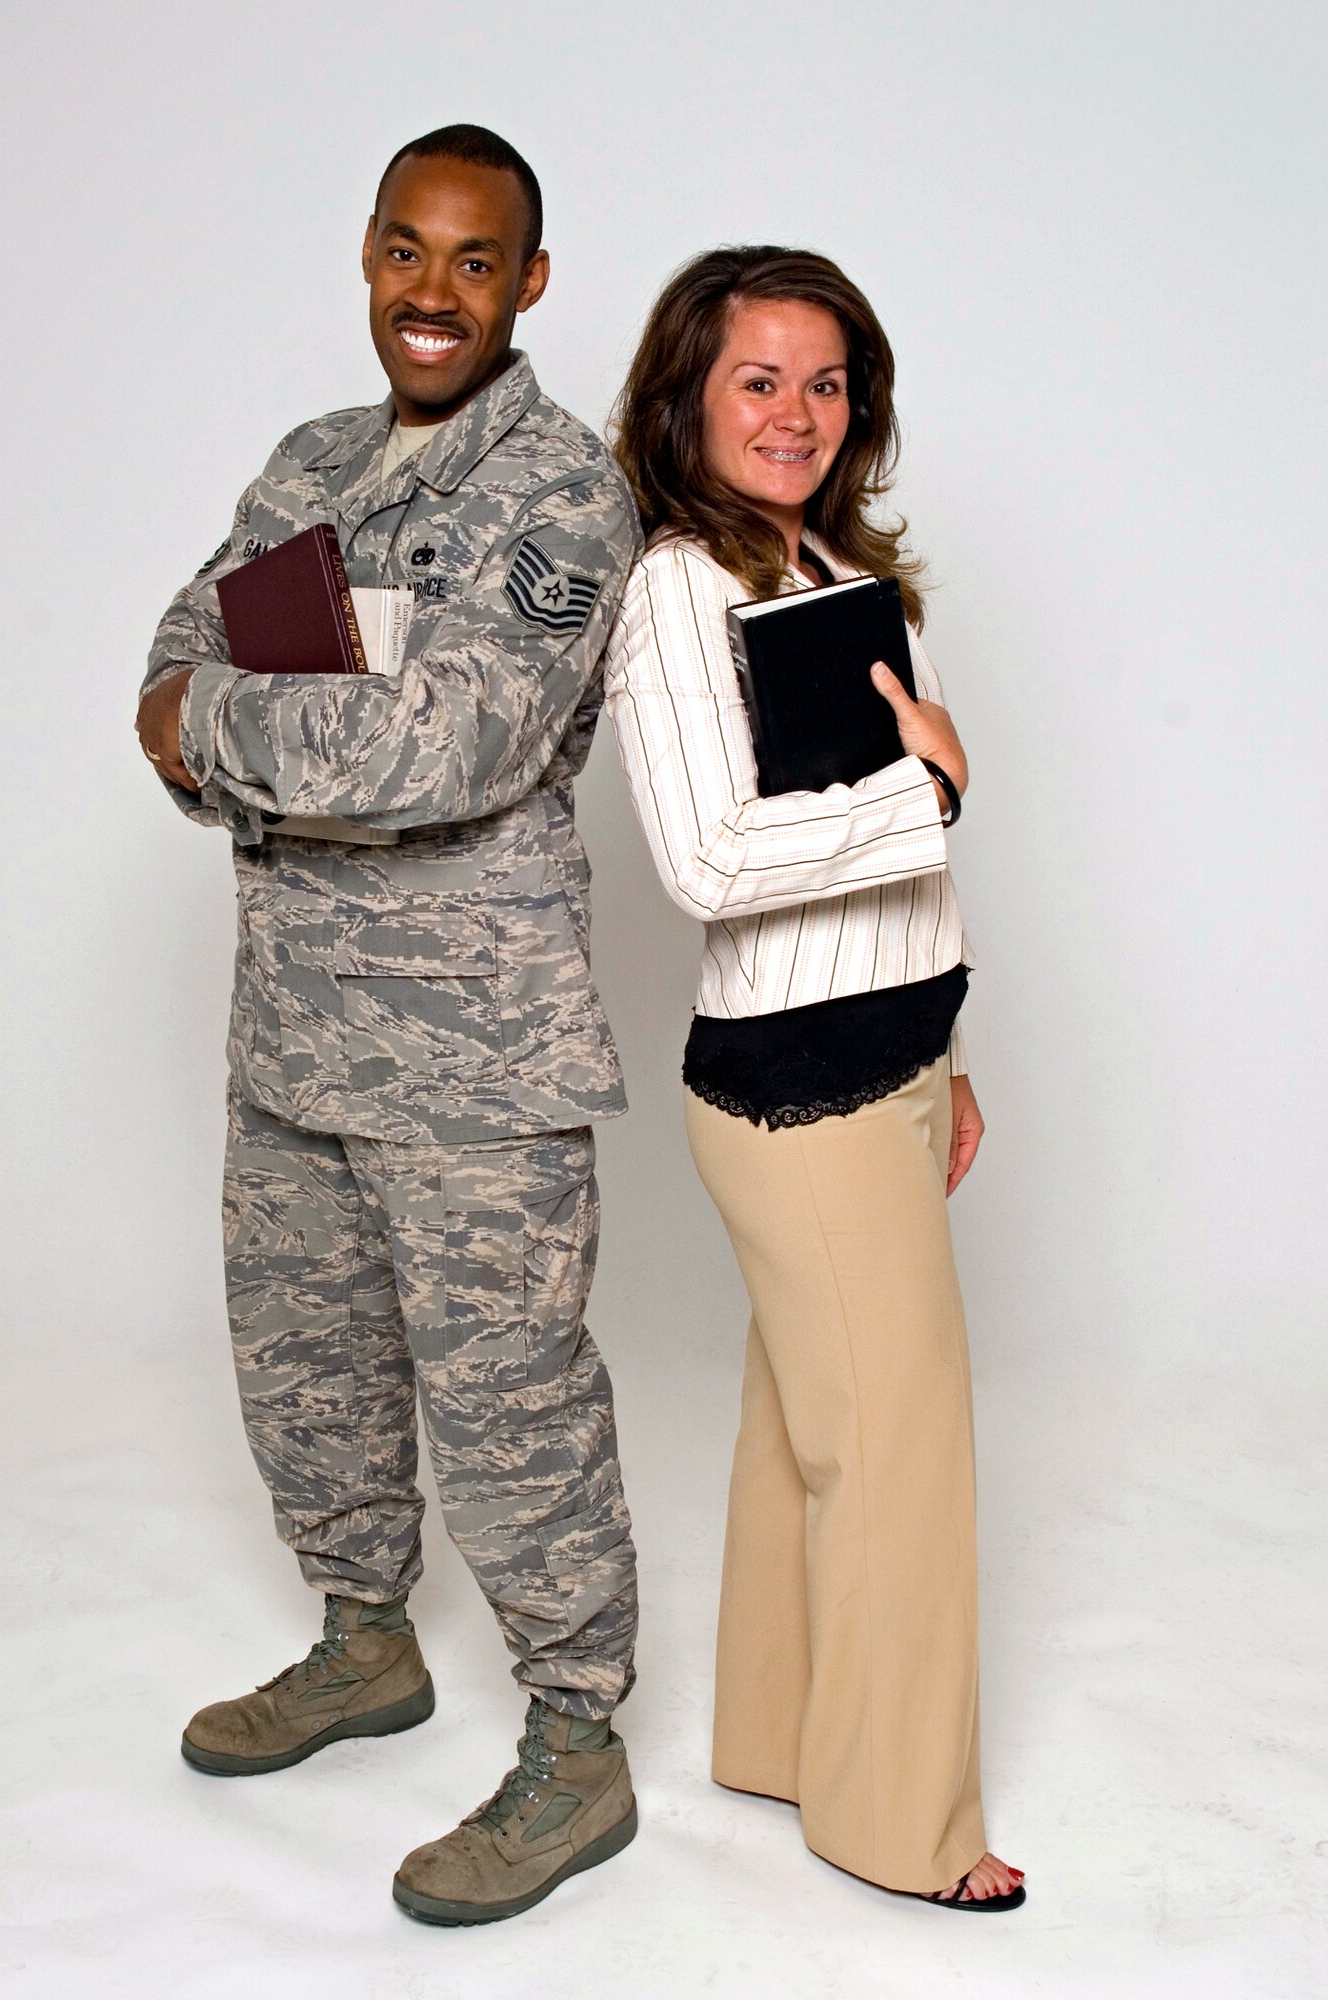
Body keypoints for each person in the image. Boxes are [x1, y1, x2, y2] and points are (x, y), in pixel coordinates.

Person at [135, 125, 640, 1927]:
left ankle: (577, 1746)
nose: (435, 292)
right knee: (306, 1371)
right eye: (406, 254)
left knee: (512, 1406)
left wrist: (224, 728)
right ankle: (365, 1643)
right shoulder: (314, 462)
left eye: (476, 260)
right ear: (368, 256)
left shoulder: (567, 495)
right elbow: (172, 649)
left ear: (529, 281)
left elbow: (461, 745)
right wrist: (235, 712)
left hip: (471, 1054)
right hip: (292, 1026)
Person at [604, 246, 1025, 1910]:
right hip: (793, 1087)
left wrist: (948, 1044)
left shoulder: (841, 570)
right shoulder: (674, 592)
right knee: (897, 1448)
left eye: (826, 381)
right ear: (686, 397)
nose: (795, 412)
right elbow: (708, 860)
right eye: (756, 379)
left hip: (884, 1054)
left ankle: (783, 1742)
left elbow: (889, 871)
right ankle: (900, 1825)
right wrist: (923, 789)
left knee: (808, 1427)